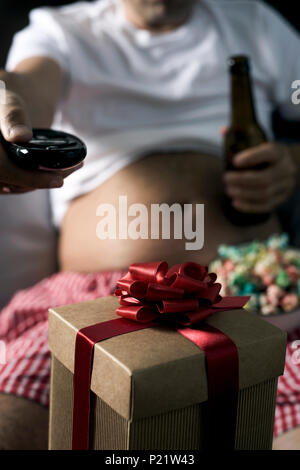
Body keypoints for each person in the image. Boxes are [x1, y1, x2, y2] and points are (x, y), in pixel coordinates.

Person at [0, 0, 299, 449]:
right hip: (96, 302)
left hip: (257, 295)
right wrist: (6, 101)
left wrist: (293, 161)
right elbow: (24, 91)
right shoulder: (62, 33)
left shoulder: (252, 21)